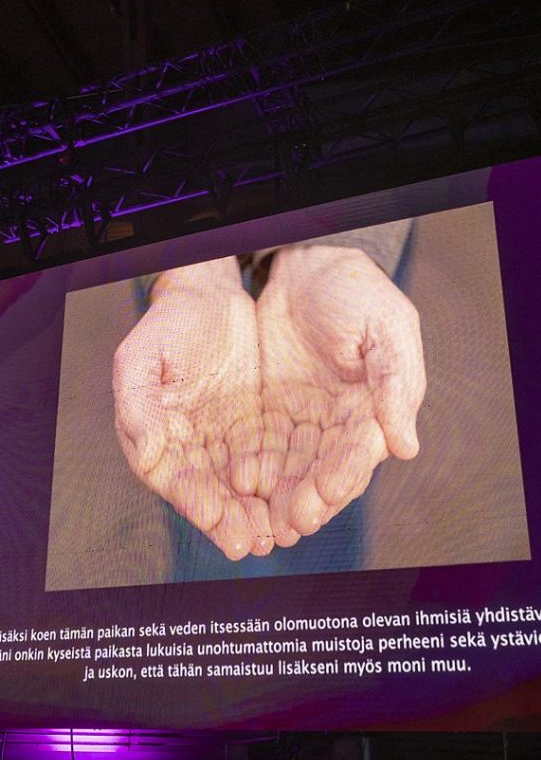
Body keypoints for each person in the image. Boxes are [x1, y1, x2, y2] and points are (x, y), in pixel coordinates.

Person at [111, 222, 426, 577]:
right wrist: (187, 263)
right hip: (178, 224)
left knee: (321, 494)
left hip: (351, 214)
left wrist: (336, 241)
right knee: (217, 509)